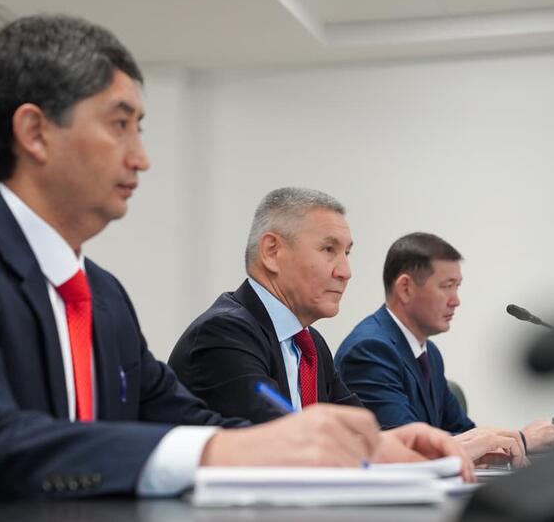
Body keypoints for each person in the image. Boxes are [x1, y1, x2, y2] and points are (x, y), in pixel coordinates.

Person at [0, 16, 475, 504]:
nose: (141, 157)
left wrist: (364, 448)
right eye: (119, 124)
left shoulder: (102, 295)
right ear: (35, 132)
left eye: (139, 128)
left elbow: (181, 416)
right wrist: (220, 450)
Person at [169, 189, 526, 468]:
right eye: (329, 249)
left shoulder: (310, 344)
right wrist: (440, 451)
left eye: (347, 253)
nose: (345, 272)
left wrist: (448, 446)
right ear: (272, 252)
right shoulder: (225, 334)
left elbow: (370, 432)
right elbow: (288, 442)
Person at [335, 232, 554, 456]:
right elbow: (408, 446)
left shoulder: (429, 353)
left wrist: (511, 443)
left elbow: (463, 431)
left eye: (457, 287)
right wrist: (522, 439)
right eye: (447, 286)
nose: (456, 301)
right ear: (405, 289)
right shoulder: (370, 350)